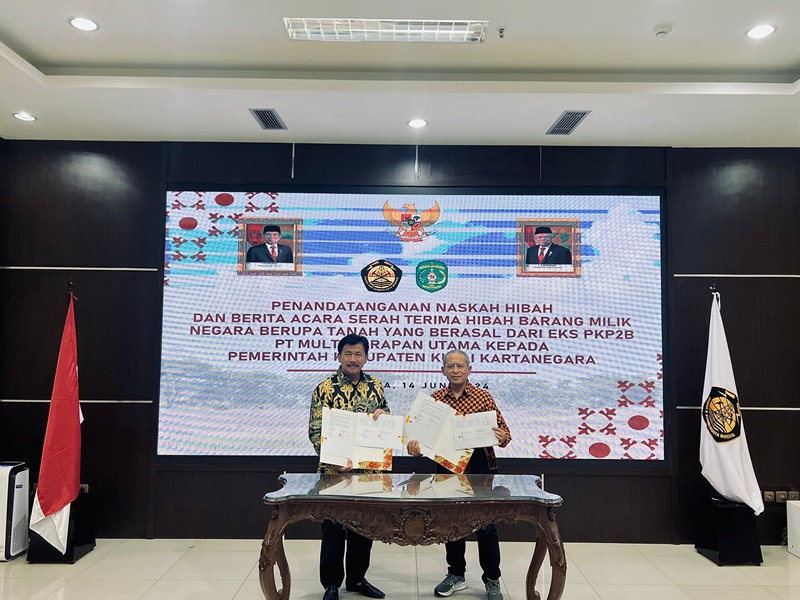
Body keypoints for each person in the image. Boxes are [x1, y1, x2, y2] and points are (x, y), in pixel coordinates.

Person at [406, 350, 512, 600]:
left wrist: (502, 437)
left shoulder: (483, 397)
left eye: (460, 366)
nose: (455, 370)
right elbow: (421, 440)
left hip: (480, 468)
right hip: (447, 467)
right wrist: (415, 447)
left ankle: (492, 579)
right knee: (450, 524)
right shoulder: (435, 401)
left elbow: (505, 433)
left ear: (469, 369)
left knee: (486, 526)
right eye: (450, 366)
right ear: (442, 370)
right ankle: (456, 574)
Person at [308, 334, 390, 600]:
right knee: (333, 529)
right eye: (348, 353)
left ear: (366, 357)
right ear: (339, 356)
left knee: (364, 527)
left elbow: (385, 416)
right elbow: (315, 431)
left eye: (358, 354)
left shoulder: (376, 385)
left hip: (368, 473)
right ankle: (331, 585)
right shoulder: (325, 388)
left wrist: (383, 417)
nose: (353, 359)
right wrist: (332, 459)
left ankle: (357, 579)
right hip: (334, 472)